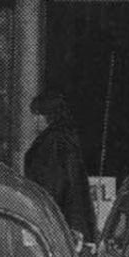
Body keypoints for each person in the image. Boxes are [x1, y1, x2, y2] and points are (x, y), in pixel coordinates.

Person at [23, 89, 97, 243]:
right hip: (72, 223)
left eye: (37, 114)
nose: (34, 120)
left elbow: (52, 187)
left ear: (47, 116)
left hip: (55, 226)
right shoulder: (66, 139)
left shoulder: (51, 144)